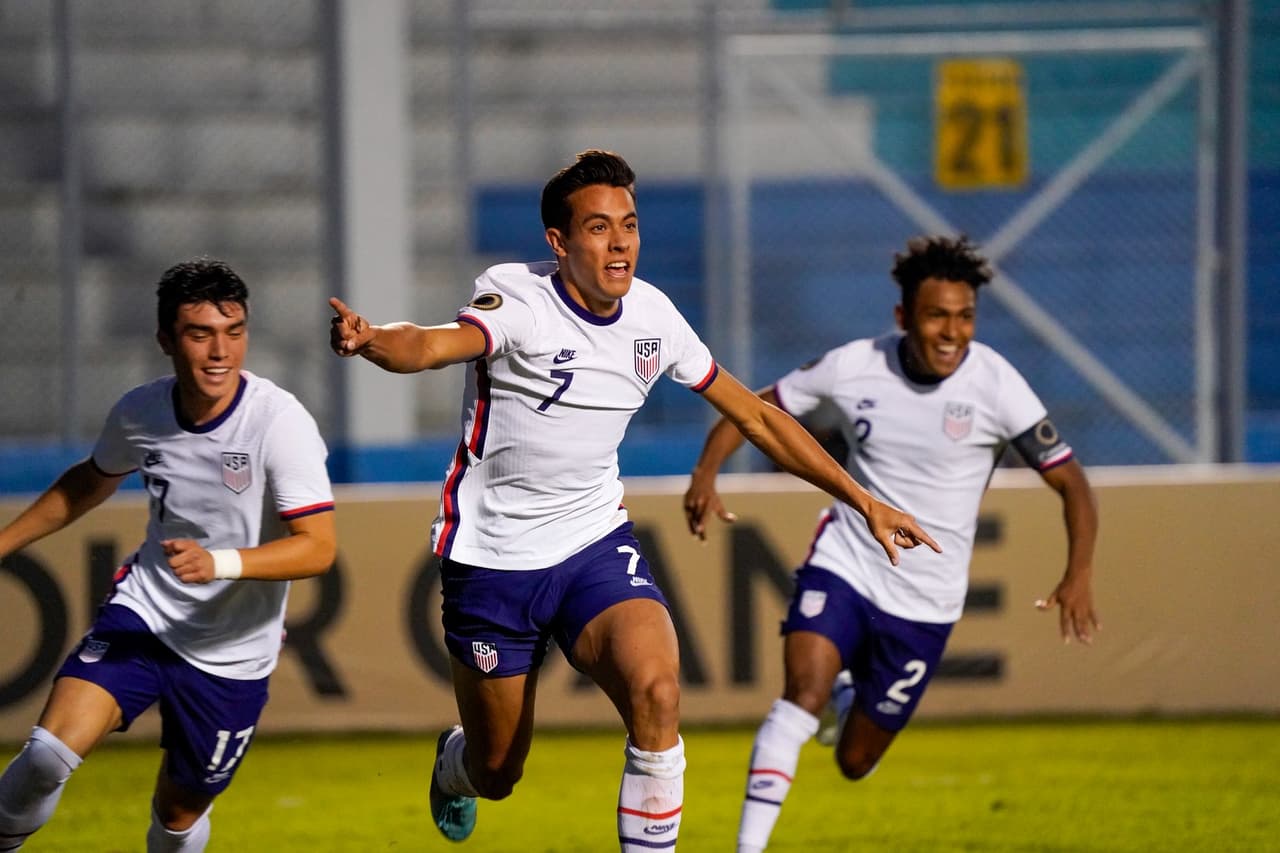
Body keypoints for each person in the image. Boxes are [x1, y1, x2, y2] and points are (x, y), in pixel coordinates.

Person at [327, 149, 939, 850]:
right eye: (597, 227)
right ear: (558, 243)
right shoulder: (519, 298)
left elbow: (759, 417)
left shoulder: (655, 317)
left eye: (629, 224)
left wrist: (863, 498)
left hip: (592, 544)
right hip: (492, 560)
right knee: (498, 768)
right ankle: (454, 764)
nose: (620, 243)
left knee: (657, 691)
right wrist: (374, 340)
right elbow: (434, 345)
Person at [682, 234, 1100, 853]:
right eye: (937, 315)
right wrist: (705, 474)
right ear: (905, 317)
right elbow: (755, 411)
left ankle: (846, 700)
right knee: (800, 696)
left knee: (855, 761)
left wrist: (1079, 574)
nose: (952, 332)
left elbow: (1071, 483)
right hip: (848, 560)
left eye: (965, 316)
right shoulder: (854, 366)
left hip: (927, 602)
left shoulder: (997, 384)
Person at [0, 258, 337, 853]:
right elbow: (88, 482)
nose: (219, 352)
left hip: (232, 654)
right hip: (146, 614)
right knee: (46, 757)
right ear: (165, 340)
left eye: (233, 332)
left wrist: (221, 563)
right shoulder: (141, 412)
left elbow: (319, 547)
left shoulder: (278, 423)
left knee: (177, 815)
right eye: (199, 333)